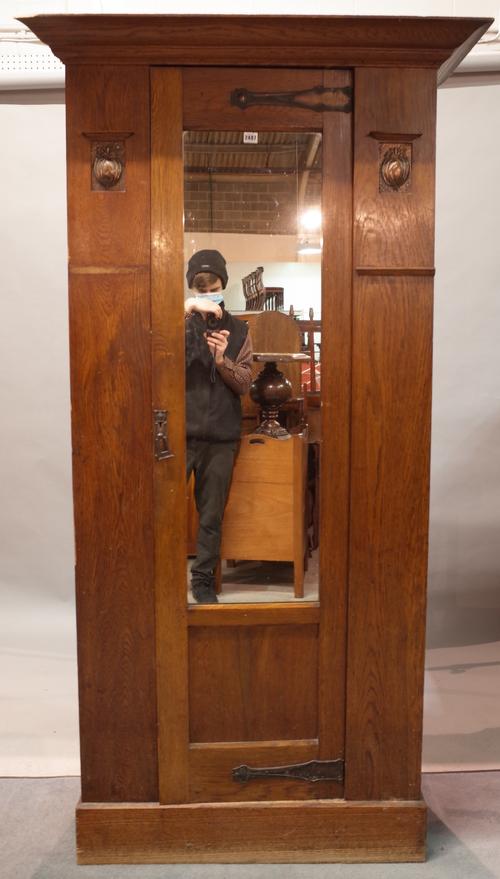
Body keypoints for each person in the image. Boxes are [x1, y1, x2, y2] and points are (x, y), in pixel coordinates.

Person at [184, 249, 253, 604]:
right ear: (192, 289)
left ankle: (203, 581)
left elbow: (244, 383)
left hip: (222, 436)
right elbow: (160, 363)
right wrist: (185, 314)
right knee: (161, 509)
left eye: (214, 288)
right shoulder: (178, 323)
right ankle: (159, 574)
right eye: (202, 289)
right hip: (178, 434)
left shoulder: (240, 330)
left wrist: (221, 359)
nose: (209, 294)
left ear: (223, 285)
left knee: (211, 515)